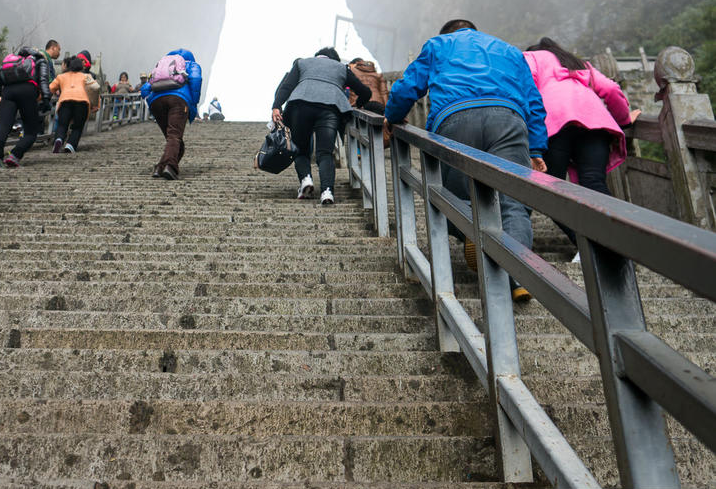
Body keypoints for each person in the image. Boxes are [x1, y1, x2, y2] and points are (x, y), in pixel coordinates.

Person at [384, 19, 547, 302]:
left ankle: (473, 229)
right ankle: (519, 276)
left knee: (454, 197)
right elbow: (533, 101)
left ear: (447, 33)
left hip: (456, 119)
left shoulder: (438, 45)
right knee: (513, 203)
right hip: (508, 118)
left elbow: (408, 86)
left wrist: (393, 116)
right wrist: (536, 149)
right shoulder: (509, 50)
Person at [524, 37, 640, 259]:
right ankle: (614, 243)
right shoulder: (578, 63)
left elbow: (525, 91)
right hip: (595, 122)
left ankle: (588, 244)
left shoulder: (531, 58)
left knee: (549, 188)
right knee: (594, 182)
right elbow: (610, 89)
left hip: (554, 122)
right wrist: (623, 120)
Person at [272, 47, 371, 205]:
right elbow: (366, 92)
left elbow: (287, 86)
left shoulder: (302, 63)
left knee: (300, 149)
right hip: (330, 109)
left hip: (300, 106)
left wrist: (276, 106)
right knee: (325, 152)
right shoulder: (341, 68)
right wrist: (356, 105)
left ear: (317, 57)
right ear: (334, 60)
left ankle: (306, 180)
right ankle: (327, 192)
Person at [0, 47, 43, 169]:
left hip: (8, 92)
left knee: (4, 125)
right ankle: (15, 155)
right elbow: (43, 81)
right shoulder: (36, 62)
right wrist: (46, 99)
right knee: (31, 131)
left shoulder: (10, 65)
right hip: (28, 91)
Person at [140, 48, 202, 180]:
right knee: (174, 136)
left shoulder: (163, 64)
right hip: (178, 101)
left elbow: (145, 88)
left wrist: (150, 98)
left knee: (173, 139)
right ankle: (170, 167)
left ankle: (160, 168)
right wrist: (194, 102)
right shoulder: (190, 64)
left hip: (156, 102)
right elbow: (196, 79)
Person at [49, 57, 99, 153]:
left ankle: (59, 139)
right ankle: (70, 145)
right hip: (82, 102)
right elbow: (95, 88)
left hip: (65, 101)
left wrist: (42, 98)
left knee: (62, 124)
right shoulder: (86, 76)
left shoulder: (61, 76)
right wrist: (96, 104)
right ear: (81, 66)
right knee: (78, 126)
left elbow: (50, 88)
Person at [39, 39, 60, 113]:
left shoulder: (45, 57)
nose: (59, 53)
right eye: (58, 49)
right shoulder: (44, 57)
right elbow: (48, 77)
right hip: (41, 93)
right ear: (53, 48)